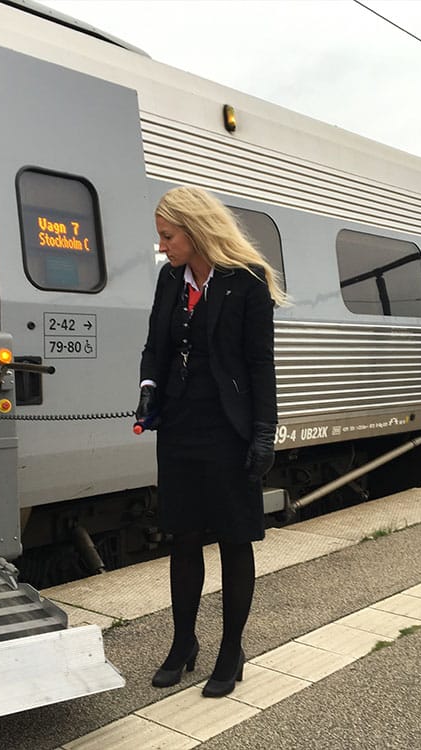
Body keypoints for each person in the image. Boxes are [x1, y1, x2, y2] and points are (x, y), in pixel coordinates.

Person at [136, 186, 287, 698]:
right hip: (179, 427)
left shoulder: (246, 282)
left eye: (168, 236)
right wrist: (148, 389)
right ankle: (183, 645)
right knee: (182, 536)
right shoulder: (169, 280)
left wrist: (264, 433)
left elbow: (260, 364)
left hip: (228, 430)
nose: (163, 246)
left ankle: (231, 650)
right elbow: (155, 344)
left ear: (195, 231)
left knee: (233, 538)